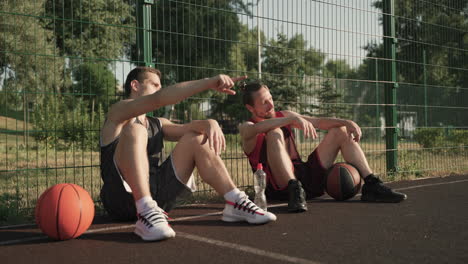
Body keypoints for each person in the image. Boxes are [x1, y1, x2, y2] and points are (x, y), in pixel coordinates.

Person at [100, 67, 276, 241]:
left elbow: (190, 128)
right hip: (120, 200)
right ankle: (144, 209)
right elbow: (160, 99)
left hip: (158, 201)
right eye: (154, 84)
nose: (159, 90)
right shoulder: (118, 113)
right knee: (135, 130)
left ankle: (234, 201)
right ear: (135, 85)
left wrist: (209, 122)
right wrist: (208, 83)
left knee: (195, 138)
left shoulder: (158, 123)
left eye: (161, 86)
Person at [238, 81, 407, 213]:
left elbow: (318, 122)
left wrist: (346, 122)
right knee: (274, 132)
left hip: (305, 179)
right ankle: (294, 190)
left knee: (340, 131)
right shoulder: (247, 127)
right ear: (250, 107)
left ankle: (371, 184)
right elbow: (254, 129)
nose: (271, 104)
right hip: (280, 189)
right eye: (264, 102)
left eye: (270, 98)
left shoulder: (285, 115)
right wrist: (291, 119)